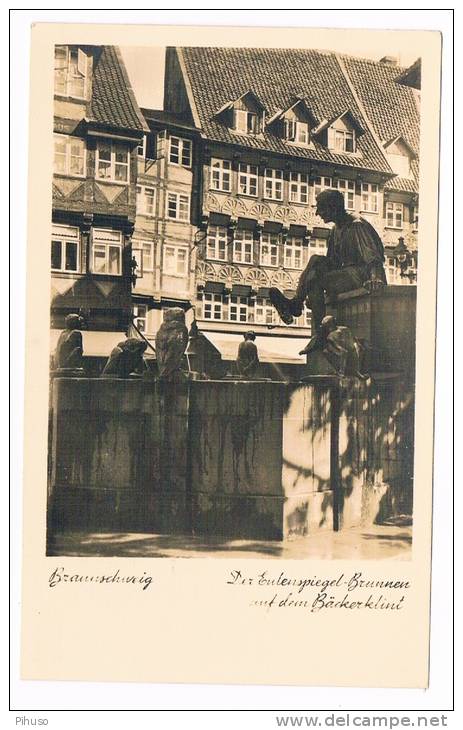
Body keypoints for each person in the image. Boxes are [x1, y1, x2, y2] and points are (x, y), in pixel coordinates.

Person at [269, 189, 387, 333]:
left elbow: (373, 257)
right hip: (346, 274)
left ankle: (318, 330)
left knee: (315, 280)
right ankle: (298, 303)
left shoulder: (356, 225)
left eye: (321, 208)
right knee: (315, 260)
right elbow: (332, 263)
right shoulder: (334, 231)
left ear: (334, 208)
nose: (318, 213)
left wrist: (375, 278)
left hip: (361, 276)